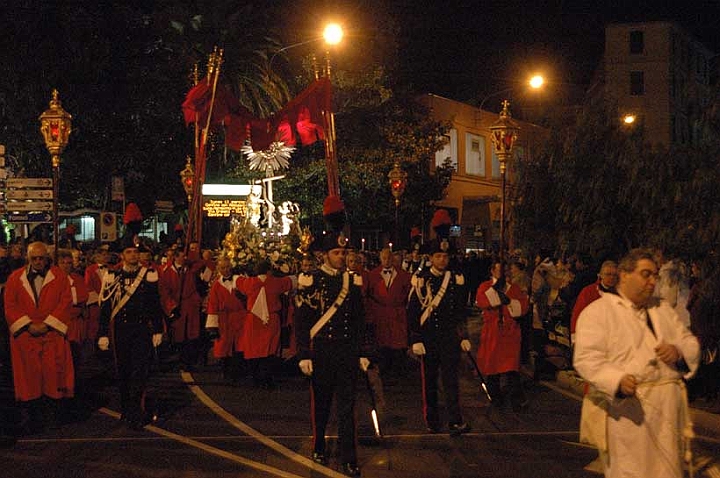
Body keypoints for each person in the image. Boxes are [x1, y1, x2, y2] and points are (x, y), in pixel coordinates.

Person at [573, 248, 700, 478]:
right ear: (624, 275)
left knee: (668, 470)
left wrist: (678, 351)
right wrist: (617, 380)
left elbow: (689, 341)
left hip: (668, 408)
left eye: (655, 275)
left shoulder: (662, 309)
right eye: (645, 274)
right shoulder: (598, 312)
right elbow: (586, 359)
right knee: (633, 470)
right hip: (631, 412)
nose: (652, 281)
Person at [294, 195, 370, 477]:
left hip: (347, 352)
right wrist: (303, 354)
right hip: (322, 352)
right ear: (325, 255)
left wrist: (363, 352)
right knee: (322, 405)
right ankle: (318, 444)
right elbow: (302, 321)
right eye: (337, 254)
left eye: (344, 253)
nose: (342, 257)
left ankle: (350, 458)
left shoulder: (353, 280)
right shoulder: (311, 280)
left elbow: (361, 320)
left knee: (348, 409)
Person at [407, 209, 472, 435]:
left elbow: (460, 310)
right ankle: (432, 418)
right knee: (430, 383)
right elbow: (413, 311)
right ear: (431, 258)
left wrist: (463, 335)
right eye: (438, 257)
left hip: (449, 338)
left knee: (452, 382)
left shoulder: (455, 279)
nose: (442, 260)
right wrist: (415, 338)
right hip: (428, 338)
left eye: (445, 257)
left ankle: (455, 420)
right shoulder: (421, 280)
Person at [4, 241, 74, 431]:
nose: (37, 262)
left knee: (53, 376)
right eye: (34, 258)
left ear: (47, 258)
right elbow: (10, 305)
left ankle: (52, 419)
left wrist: (47, 324)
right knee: (29, 378)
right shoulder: (14, 278)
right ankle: (31, 419)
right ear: (28, 258)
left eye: (41, 258)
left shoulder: (59, 277)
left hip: (52, 335)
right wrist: (27, 325)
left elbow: (66, 302)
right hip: (26, 337)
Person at [97, 236, 164, 429]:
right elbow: (106, 307)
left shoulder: (148, 274)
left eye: (135, 252)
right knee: (123, 372)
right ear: (122, 255)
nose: (133, 255)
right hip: (121, 330)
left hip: (141, 329)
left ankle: (137, 412)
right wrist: (102, 333)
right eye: (129, 252)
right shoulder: (112, 275)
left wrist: (157, 329)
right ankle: (127, 409)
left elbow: (154, 303)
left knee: (139, 372)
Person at [475, 261, 530, 410]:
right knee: (493, 366)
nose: (503, 273)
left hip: (510, 332)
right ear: (492, 271)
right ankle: (495, 396)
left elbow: (523, 307)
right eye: (499, 270)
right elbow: (482, 301)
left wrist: (510, 301)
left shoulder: (515, 288)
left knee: (511, 367)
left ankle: (515, 398)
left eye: (505, 270)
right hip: (493, 332)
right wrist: (496, 292)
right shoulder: (485, 287)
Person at [236, 260, 294, 388]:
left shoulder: (249, 282)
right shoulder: (276, 282)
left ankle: (256, 377)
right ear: (269, 271)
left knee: (254, 348)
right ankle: (267, 378)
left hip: (254, 320)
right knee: (270, 349)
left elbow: (238, 282)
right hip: (271, 320)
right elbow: (289, 282)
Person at [366, 247, 412, 376]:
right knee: (382, 341)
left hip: (398, 313)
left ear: (393, 259)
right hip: (381, 313)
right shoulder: (372, 275)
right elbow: (368, 295)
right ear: (380, 259)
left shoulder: (404, 275)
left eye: (389, 258)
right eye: (384, 258)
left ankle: (399, 369)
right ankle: (384, 367)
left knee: (398, 342)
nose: (386, 261)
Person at [205, 257, 247, 382]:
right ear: (218, 269)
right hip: (224, 320)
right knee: (224, 346)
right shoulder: (216, 285)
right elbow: (212, 304)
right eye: (223, 268)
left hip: (240, 318)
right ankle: (226, 371)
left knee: (240, 345)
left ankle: (238, 372)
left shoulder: (239, 281)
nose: (226, 270)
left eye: (227, 267)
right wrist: (213, 326)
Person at [569, 260, 618, 346]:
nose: (611, 278)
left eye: (614, 275)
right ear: (601, 275)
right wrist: (575, 338)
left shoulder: (620, 294)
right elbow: (577, 314)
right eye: (608, 274)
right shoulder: (588, 292)